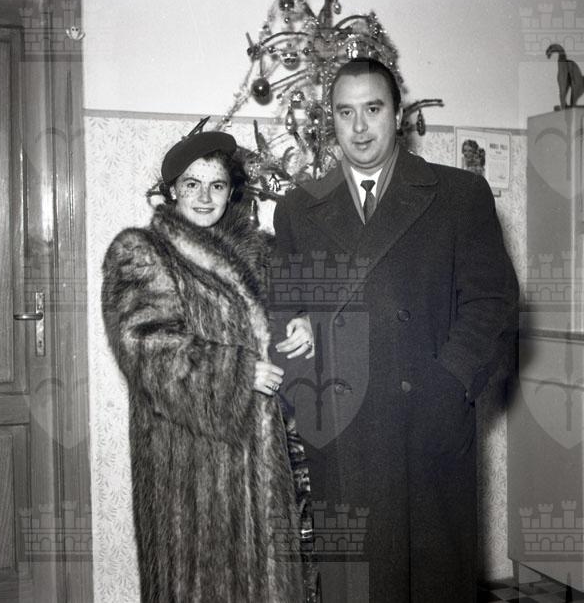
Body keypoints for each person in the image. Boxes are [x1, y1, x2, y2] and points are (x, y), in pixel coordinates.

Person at [271, 58, 519, 602]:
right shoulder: (298, 208)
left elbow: (492, 303)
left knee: (431, 583)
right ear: (330, 120)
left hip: (427, 426)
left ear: (398, 114)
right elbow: (282, 311)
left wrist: (448, 384)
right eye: (345, 112)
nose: (359, 128)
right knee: (356, 587)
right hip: (343, 436)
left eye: (373, 109)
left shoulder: (459, 195)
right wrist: (297, 350)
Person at [101, 124, 312, 602]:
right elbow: (146, 346)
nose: (204, 197)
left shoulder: (255, 251)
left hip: (256, 455)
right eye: (192, 184)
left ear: (230, 192)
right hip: (187, 458)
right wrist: (236, 373)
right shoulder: (140, 251)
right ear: (172, 190)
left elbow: (288, 305)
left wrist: (303, 320)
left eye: (216, 185)